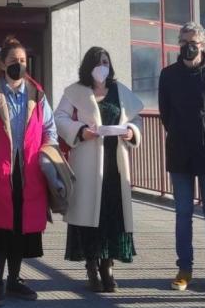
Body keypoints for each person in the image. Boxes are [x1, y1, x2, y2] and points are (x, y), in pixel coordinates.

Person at [0, 35, 58, 306]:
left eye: (22, 61)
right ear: (2, 63)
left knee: (21, 227)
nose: (18, 65)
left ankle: (14, 279)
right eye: (13, 61)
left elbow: (49, 129)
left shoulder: (37, 94)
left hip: (29, 171)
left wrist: (46, 155)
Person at [55, 47, 144, 292]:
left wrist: (131, 131)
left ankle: (109, 266)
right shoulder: (75, 91)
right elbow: (59, 119)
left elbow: (137, 118)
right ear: (88, 66)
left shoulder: (120, 90)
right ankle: (92, 266)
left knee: (112, 215)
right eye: (97, 62)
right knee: (89, 216)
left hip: (115, 167)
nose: (102, 66)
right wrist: (81, 131)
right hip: (87, 162)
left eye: (105, 61)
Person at [157, 22, 205, 293]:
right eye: (184, 42)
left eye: (194, 43)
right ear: (179, 44)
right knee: (183, 213)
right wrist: (179, 132)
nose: (189, 47)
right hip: (179, 152)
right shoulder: (168, 75)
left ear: (204, 46)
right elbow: (165, 113)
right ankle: (184, 269)